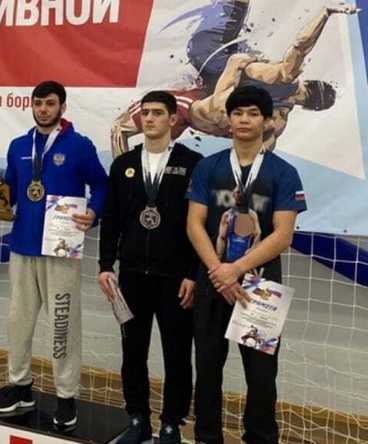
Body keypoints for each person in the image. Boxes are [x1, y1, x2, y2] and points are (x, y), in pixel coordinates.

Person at [0, 80, 108, 431]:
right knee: (17, 321)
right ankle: (21, 386)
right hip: (23, 245)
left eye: (50, 103)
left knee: (62, 325)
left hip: (60, 249)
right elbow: (10, 189)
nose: (43, 109)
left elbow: (101, 184)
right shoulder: (19, 145)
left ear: (62, 107)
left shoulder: (79, 146)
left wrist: (94, 212)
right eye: (38, 103)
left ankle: (66, 396)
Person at [186, 85, 307, 444]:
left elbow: (283, 235)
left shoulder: (284, 173)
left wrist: (235, 270)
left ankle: (260, 438)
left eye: (253, 113)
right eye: (238, 113)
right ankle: (207, 437)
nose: (244, 120)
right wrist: (219, 271)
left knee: (261, 376)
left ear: (267, 121)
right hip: (213, 282)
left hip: (260, 288)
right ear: (228, 120)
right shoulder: (208, 167)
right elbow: (194, 224)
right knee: (207, 369)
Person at [111, 1, 358, 155]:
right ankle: (124, 188)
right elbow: (239, 62)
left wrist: (325, 14)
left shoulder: (279, 109)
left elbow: (299, 47)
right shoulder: (280, 92)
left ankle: (124, 190)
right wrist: (325, 14)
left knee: (123, 130)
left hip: (205, 103)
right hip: (207, 89)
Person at [98, 91, 202, 444]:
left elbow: (199, 224)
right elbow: (111, 218)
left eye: (158, 113)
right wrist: (105, 265)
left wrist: (192, 273)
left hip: (175, 278)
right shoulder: (124, 164)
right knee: (133, 351)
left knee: (177, 352)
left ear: (173, 119)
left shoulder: (192, 163)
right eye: (145, 113)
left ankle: (172, 423)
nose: (150, 119)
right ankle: (138, 418)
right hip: (130, 276)